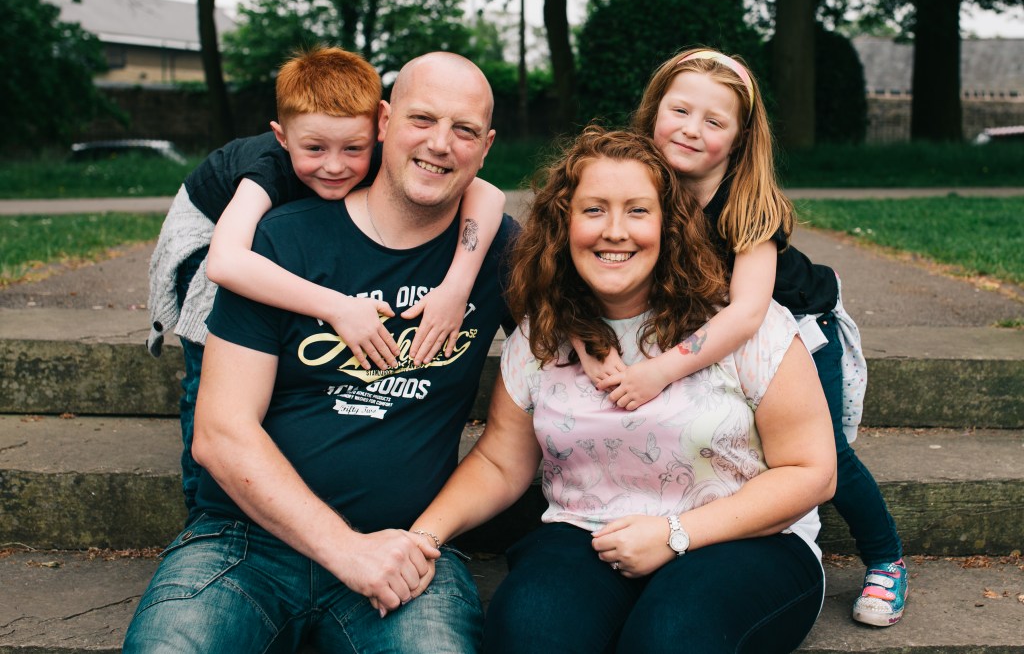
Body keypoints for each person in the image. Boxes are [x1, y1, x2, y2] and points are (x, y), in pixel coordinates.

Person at [125, 52, 516, 653]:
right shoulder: (281, 236)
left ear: (485, 147)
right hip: (246, 542)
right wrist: (347, 551)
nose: (440, 144)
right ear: (384, 121)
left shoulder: (498, 251)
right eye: (422, 120)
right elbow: (220, 432)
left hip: (406, 547)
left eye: (463, 130)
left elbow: (584, 323)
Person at [412, 126, 838, 653]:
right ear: (564, 224)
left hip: (743, 538)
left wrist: (675, 533)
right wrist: (423, 536)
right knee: (528, 631)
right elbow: (500, 463)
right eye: (594, 210)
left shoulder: (741, 326)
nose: (615, 231)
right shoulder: (542, 337)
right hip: (586, 534)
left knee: (672, 637)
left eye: (637, 211)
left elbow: (811, 472)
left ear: (669, 225)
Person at [574, 47, 909, 628]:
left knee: (824, 450)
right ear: (653, 112)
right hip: (706, 325)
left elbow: (748, 314)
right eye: (680, 111)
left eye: (714, 121)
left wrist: (659, 370)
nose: (691, 129)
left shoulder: (750, 206)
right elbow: (574, 275)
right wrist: (586, 340)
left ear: (739, 138)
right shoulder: (638, 181)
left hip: (798, 329)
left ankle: (886, 556)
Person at [146, 46, 505, 513]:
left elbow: (488, 194)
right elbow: (226, 262)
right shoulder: (268, 165)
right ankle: (200, 505)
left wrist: (456, 286)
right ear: (283, 137)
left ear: (375, 129)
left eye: (353, 150)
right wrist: (337, 306)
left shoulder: (389, 148)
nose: (336, 165)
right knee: (206, 367)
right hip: (209, 234)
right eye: (315, 149)